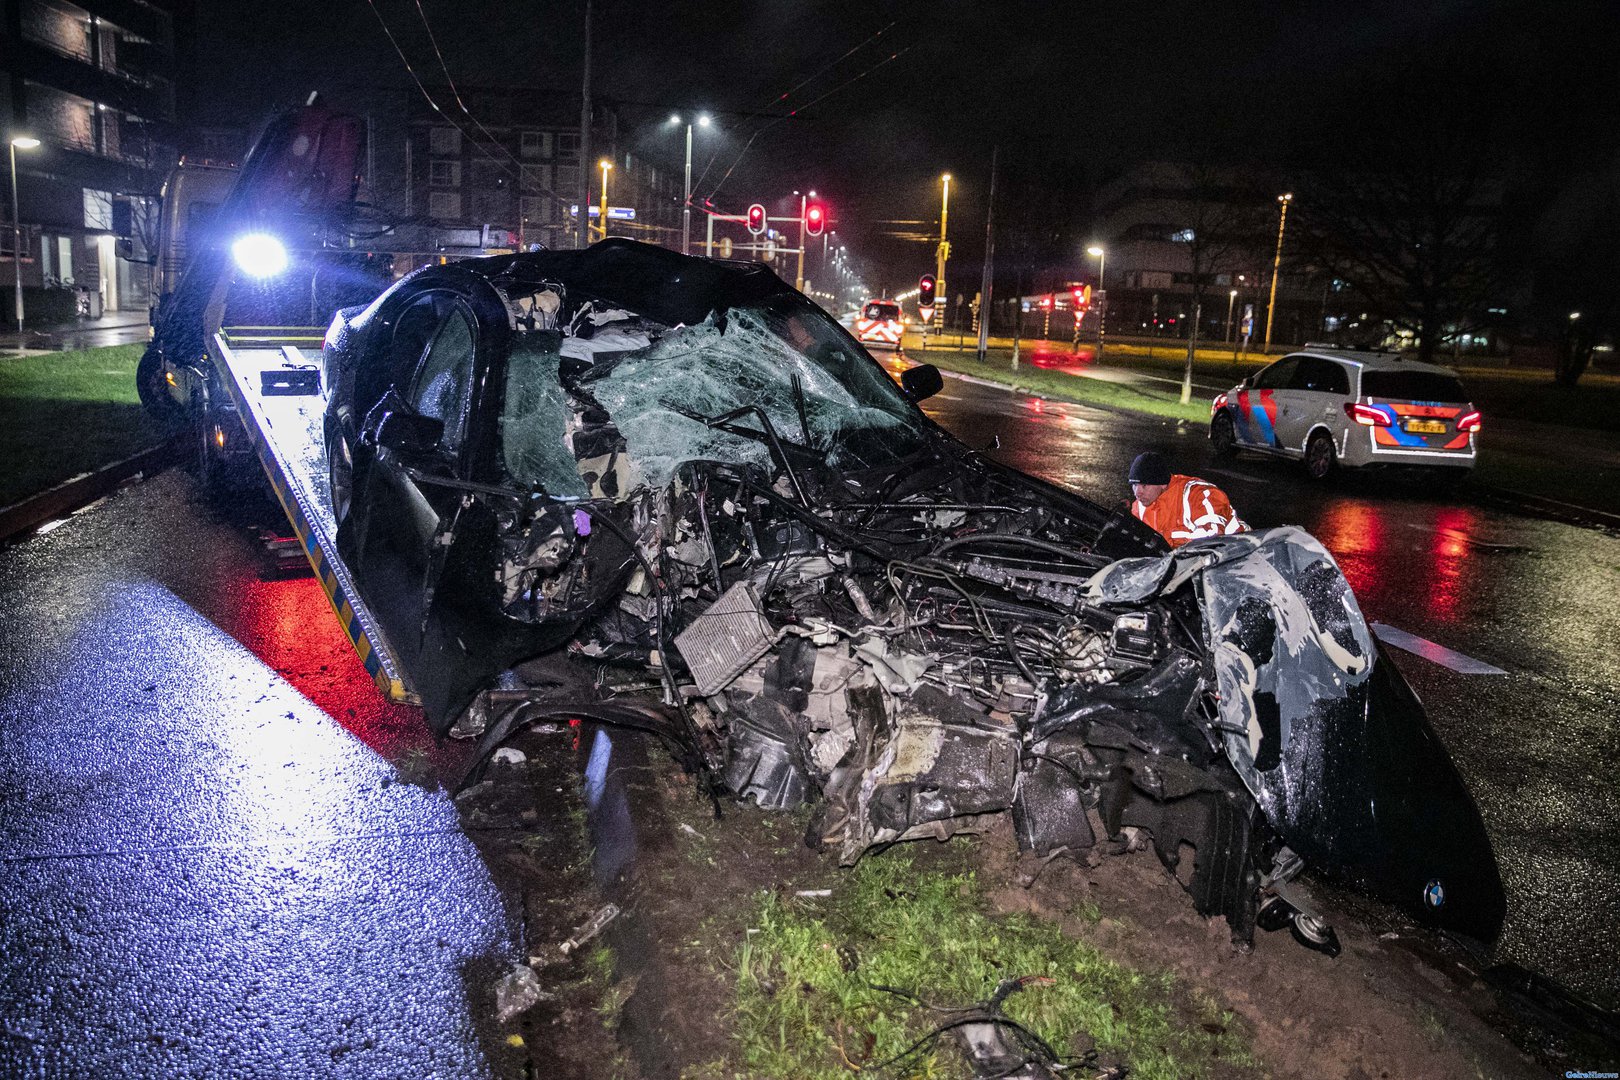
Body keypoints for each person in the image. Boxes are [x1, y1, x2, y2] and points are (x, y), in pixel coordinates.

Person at [1127, 451, 1248, 548]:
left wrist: (1166, 538)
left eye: (1144, 485)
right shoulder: (1139, 507)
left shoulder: (1199, 494)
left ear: (1163, 484)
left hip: (1242, 552)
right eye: (1134, 485)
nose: (1137, 492)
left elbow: (1213, 537)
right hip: (1194, 566)